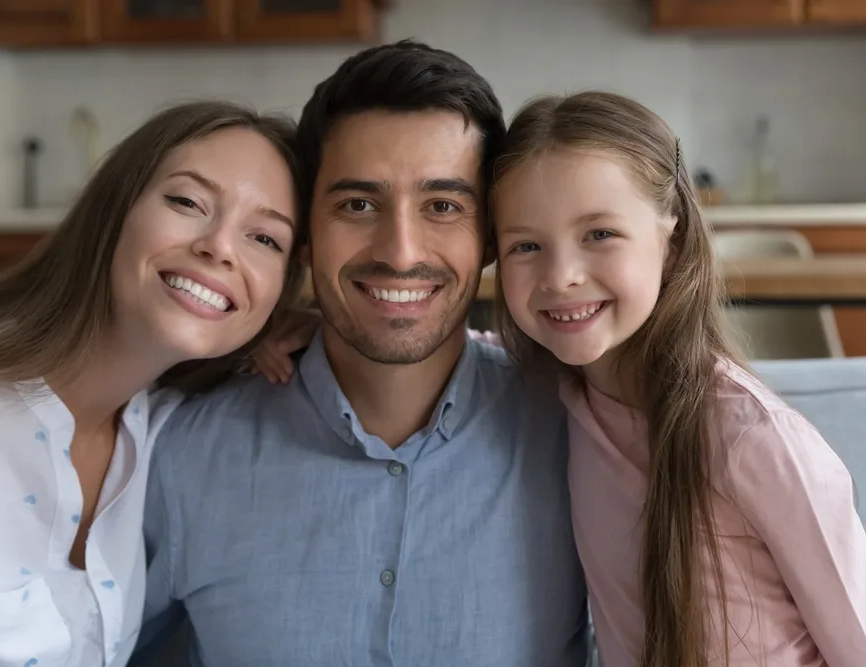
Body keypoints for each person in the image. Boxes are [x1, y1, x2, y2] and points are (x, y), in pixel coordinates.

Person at [133, 40, 592, 666]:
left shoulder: (580, 433)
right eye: (357, 204)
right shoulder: (180, 455)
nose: (400, 252)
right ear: (303, 235)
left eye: (442, 206)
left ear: (490, 233)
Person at [490, 91, 866, 666]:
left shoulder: (753, 440)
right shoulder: (557, 398)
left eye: (599, 234)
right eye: (526, 245)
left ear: (672, 237)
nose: (560, 275)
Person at [0, 100, 305, 667]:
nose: (220, 246)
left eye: (265, 239)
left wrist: (316, 331)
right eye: (187, 201)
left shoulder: (163, 432)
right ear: (115, 210)